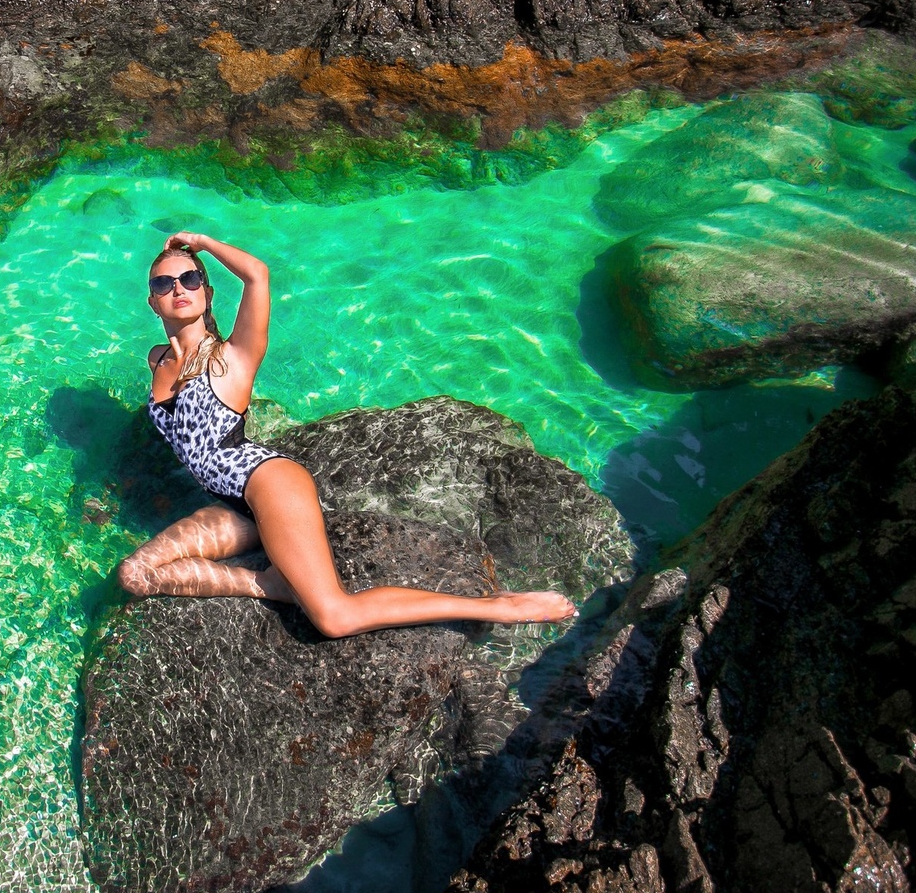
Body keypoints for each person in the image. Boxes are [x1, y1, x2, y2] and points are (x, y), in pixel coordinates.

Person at [117, 231, 579, 638]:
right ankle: (274, 583)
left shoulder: (233, 356)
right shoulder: (159, 359)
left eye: (190, 279)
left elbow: (257, 275)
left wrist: (204, 243)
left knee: (334, 617)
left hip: (267, 484)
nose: (178, 288)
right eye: (164, 284)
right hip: (234, 507)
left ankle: (494, 607)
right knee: (134, 574)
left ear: (207, 290)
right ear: (152, 300)